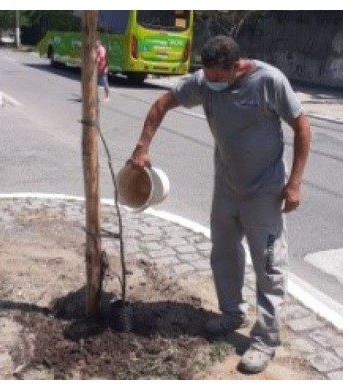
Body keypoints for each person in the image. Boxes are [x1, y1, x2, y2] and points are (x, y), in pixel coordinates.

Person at [128, 35, 311, 373]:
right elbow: (161, 104)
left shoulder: (269, 82)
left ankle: (265, 340)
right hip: (227, 186)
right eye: (206, 74)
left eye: (215, 77)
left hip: (265, 191)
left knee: (269, 264)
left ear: (235, 67)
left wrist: (295, 183)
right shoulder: (203, 82)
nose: (209, 83)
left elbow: (302, 128)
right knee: (224, 252)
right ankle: (232, 312)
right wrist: (142, 146)